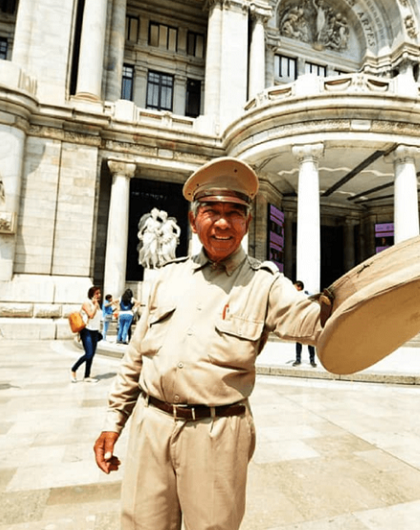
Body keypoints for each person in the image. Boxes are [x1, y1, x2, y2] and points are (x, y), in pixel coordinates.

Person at [93, 157, 322, 530]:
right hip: (151, 425)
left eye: (234, 213)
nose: (221, 222)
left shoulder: (266, 283)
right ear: (192, 220)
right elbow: (136, 358)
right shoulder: (167, 277)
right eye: (211, 211)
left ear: (247, 222)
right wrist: (112, 421)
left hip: (217, 433)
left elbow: (314, 323)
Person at [71, 286, 103, 383]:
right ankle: (73, 369)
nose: (99, 295)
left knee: (91, 354)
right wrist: (96, 306)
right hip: (87, 331)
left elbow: (98, 318)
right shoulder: (86, 303)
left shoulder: (97, 305)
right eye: (97, 293)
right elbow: (91, 315)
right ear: (92, 294)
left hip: (95, 331)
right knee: (88, 354)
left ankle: (87, 376)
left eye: (99, 293)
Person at [293, 280, 317, 367]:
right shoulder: (295, 297)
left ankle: (312, 360)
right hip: (299, 321)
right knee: (298, 341)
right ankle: (298, 359)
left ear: (299, 287)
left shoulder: (307, 295)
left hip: (307, 320)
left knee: (310, 341)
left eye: (294, 286)